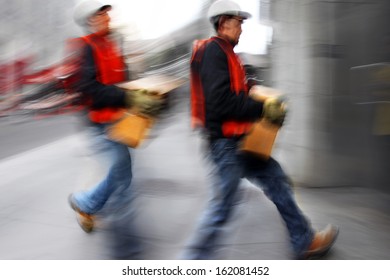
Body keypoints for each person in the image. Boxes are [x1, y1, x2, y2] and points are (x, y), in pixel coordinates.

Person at [186, 0, 339, 260]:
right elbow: (220, 103)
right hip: (225, 146)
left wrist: (259, 96)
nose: (242, 29)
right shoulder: (214, 52)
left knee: (276, 180)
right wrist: (262, 109)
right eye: (238, 23)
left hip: (241, 144)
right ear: (223, 23)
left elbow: (238, 94)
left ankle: (304, 241)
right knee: (222, 209)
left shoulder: (229, 55)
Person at [67, 0, 161, 259]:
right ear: (91, 19)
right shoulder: (85, 48)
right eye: (103, 13)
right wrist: (127, 98)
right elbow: (90, 89)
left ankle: (85, 203)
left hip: (119, 122)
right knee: (124, 187)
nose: (109, 16)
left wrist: (142, 94)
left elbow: (125, 82)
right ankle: (125, 254)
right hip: (101, 124)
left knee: (122, 177)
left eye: (108, 12)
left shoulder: (113, 45)